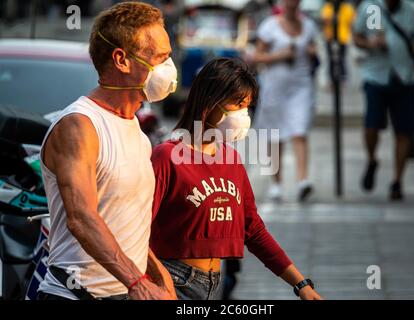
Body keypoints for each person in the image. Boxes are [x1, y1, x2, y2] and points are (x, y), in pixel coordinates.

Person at [150, 58, 322, 300]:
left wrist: (301, 285)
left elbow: (252, 229)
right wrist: (157, 277)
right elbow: (136, 230)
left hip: (214, 286)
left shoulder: (230, 159)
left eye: (248, 107)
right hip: (172, 282)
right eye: (237, 104)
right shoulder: (166, 157)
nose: (243, 115)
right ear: (210, 102)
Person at [37, 2, 177, 300]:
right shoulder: (80, 126)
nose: (169, 67)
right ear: (121, 60)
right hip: (76, 294)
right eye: (161, 57)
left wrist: (155, 271)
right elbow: (82, 218)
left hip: (125, 291)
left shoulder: (135, 129)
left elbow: (122, 221)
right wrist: (137, 281)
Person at [353, 0, 414, 200]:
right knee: (371, 126)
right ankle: (372, 159)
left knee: (404, 131)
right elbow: (357, 36)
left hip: (405, 76)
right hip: (376, 76)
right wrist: (370, 43)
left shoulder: (412, 11)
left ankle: (397, 181)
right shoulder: (372, 8)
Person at [250, 0, 319, 203]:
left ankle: (302, 180)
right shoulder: (270, 26)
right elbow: (257, 56)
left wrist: (312, 53)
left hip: (301, 86)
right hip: (275, 88)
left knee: (300, 131)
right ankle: (276, 183)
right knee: (275, 136)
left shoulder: (308, 26)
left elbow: (314, 50)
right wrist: (280, 55)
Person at [321, 0, 356, 82]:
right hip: (330, 37)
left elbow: (353, 21)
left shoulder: (347, 8)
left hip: (342, 38)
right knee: (330, 59)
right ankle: (331, 78)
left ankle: (342, 77)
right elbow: (324, 19)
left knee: (341, 58)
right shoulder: (328, 7)